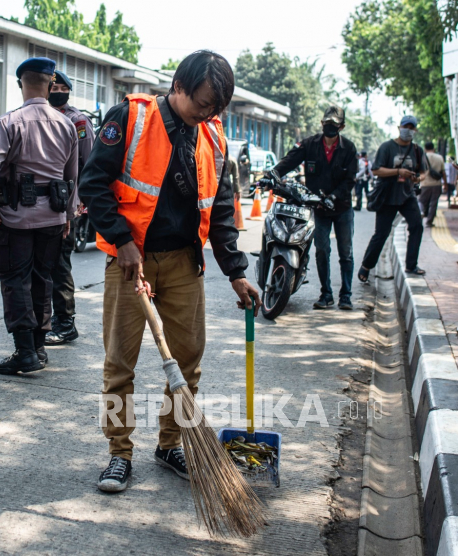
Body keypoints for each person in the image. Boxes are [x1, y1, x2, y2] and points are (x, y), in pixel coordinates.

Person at [79, 51, 260, 493]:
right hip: (131, 262)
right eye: (202, 103)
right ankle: (119, 454)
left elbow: (219, 210)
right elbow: (92, 183)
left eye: (216, 108)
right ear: (178, 86)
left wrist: (235, 270)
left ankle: (169, 444)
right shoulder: (130, 118)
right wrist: (121, 241)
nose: (208, 114)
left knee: (188, 362)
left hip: (184, 263)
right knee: (120, 365)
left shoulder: (213, 138)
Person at [0, 57, 79, 375]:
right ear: (50, 84)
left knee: (15, 281)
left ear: (22, 84)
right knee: (42, 280)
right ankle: (38, 347)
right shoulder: (66, 124)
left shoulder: (9, 123)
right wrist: (68, 215)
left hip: (16, 218)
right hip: (53, 218)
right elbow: (72, 175)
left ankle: (24, 352)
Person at [263, 106, 358, 310]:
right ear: (322, 123)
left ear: (341, 126)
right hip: (319, 208)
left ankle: (346, 295)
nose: (329, 127)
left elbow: (350, 180)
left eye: (334, 124)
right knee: (322, 250)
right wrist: (272, 174)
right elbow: (289, 161)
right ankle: (326, 294)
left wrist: (334, 196)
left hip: (342, 208)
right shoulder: (309, 144)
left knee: (346, 253)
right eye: (327, 123)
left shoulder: (349, 148)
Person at [46, 70, 95, 346]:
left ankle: (65, 322)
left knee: (59, 264)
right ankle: (47, 319)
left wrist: (80, 201)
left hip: (66, 202)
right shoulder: (39, 116)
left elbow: (89, 163)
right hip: (41, 203)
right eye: (53, 86)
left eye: (62, 86)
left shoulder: (77, 121)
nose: (56, 90)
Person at [359, 115, 427, 280]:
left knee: (417, 226)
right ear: (399, 127)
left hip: (407, 195)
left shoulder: (417, 150)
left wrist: (418, 178)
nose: (408, 130)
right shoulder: (387, 147)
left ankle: (411, 265)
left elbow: (424, 173)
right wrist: (398, 171)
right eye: (406, 127)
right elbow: (376, 170)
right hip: (387, 196)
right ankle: (366, 267)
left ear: (415, 130)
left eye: (411, 128)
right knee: (382, 233)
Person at [419, 142, 446, 227]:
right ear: (433, 148)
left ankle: (420, 217)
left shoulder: (422, 157)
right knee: (433, 203)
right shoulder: (439, 157)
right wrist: (445, 184)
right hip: (437, 184)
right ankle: (429, 222)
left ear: (425, 148)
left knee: (422, 202)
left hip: (424, 183)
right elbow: (443, 172)